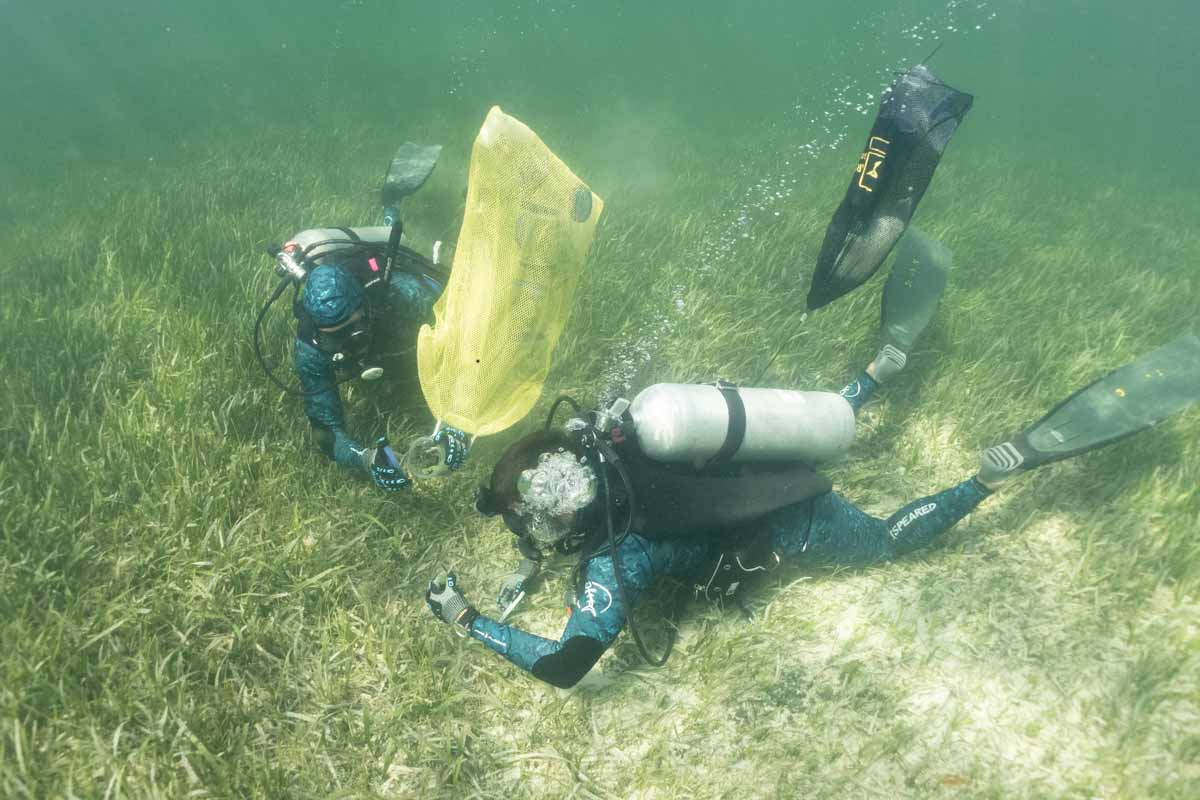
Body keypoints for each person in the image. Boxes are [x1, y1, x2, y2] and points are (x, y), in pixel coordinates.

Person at [424, 231, 1200, 688]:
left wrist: (470, 620)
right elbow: (543, 508)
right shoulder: (612, 431)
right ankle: (872, 380)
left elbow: (565, 666)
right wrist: (529, 558)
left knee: (889, 541)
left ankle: (994, 474)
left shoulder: (617, 558)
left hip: (792, 522)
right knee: (812, 423)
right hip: (754, 450)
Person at [294, 253, 467, 492]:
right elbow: (325, 431)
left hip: (416, 342)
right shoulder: (311, 348)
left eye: (352, 329)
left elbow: (469, 345)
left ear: (367, 305)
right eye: (333, 336)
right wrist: (367, 458)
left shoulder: (405, 296)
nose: (347, 344)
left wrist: (459, 425)